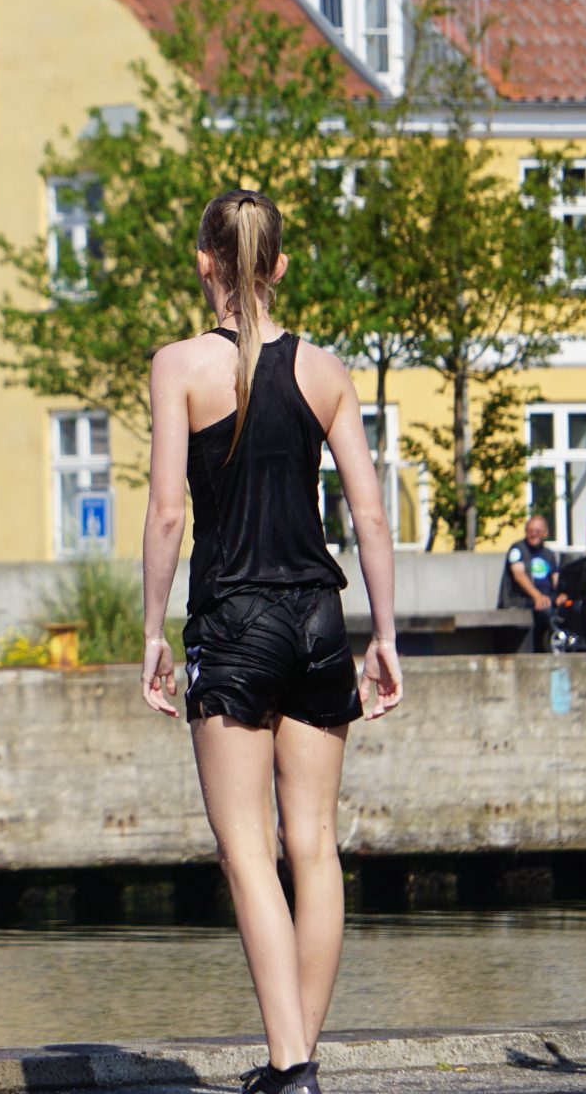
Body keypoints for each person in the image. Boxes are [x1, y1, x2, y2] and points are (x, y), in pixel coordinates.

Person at [138, 190, 404, 1094]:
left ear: (204, 263)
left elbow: (167, 513)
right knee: (315, 844)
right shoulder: (326, 371)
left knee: (248, 849)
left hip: (234, 621)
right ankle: (298, 1061)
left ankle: (292, 1067)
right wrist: (386, 635)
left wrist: (151, 631)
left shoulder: (179, 367)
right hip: (320, 618)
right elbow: (370, 514)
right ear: (279, 266)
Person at [500, 515, 560, 650]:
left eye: (537, 531)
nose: (533, 534)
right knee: (544, 611)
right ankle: (542, 649)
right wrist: (537, 596)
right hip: (521, 600)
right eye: (530, 531)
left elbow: (556, 579)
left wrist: (561, 595)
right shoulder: (517, 549)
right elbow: (519, 575)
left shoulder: (549, 554)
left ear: (545, 533)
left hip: (546, 599)